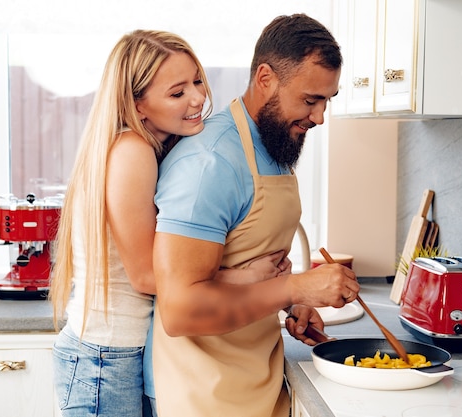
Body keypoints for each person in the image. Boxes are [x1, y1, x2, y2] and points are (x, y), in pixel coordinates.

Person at [48, 29, 294, 417]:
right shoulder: (132, 152)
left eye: (196, 81)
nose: (198, 98)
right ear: (138, 104)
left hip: (117, 354)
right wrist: (254, 278)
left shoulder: (154, 149)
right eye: (177, 93)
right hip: (104, 359)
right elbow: (148, 276)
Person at [149, 14, 361, 417]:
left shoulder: (274, 144)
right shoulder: (209, 164)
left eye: (326, 101)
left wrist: (289, 304)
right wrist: (294, 289)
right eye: (310, 100)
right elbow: (180, 309)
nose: (319, 117)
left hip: (257, 379)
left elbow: (245, 261)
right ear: (265, 78)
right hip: (204, 394)